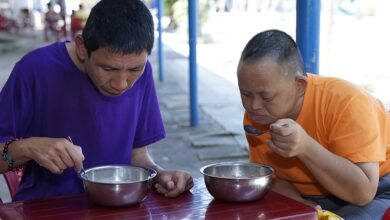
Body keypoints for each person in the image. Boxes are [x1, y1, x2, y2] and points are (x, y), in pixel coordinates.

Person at [0, 0, 193, 202]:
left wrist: (159, 175)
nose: (121, 84)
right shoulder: (35, 70)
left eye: (134, 69)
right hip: (46, 207)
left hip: (119, 205)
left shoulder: (143, 75)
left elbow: (138, 156)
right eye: (108, 69)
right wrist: (27, 148)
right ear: (82, 48)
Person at [237, 29, 390, 219]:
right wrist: (299, 204)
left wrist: (306, 147)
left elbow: (363, 192)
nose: (253, 106)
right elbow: (272, 178)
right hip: (312, 195)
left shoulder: (347, 102)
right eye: (246, 94)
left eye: (266, 96)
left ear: (299, 85)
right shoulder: (258, 116)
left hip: (379, 189)